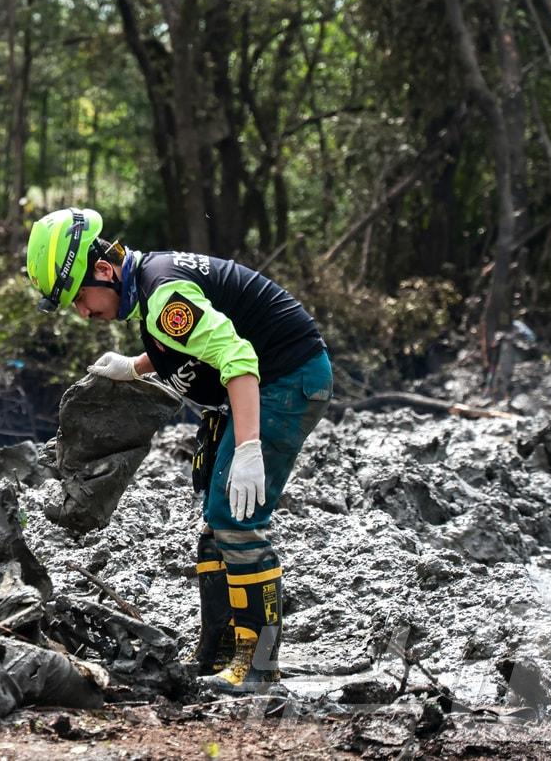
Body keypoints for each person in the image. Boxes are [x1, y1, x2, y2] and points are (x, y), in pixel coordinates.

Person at [25, 208, 332, 694]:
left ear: (104, 270)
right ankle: (217, 653)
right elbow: (189, 345)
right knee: (215, 522)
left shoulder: (165, 292)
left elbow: (237, 358)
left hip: (284, 382)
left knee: (237, 519)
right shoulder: (152, 286)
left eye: (81, 298)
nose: (83, 313)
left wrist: (249, 447)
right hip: (254, 385)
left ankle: (260, 667)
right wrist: (134, 367)